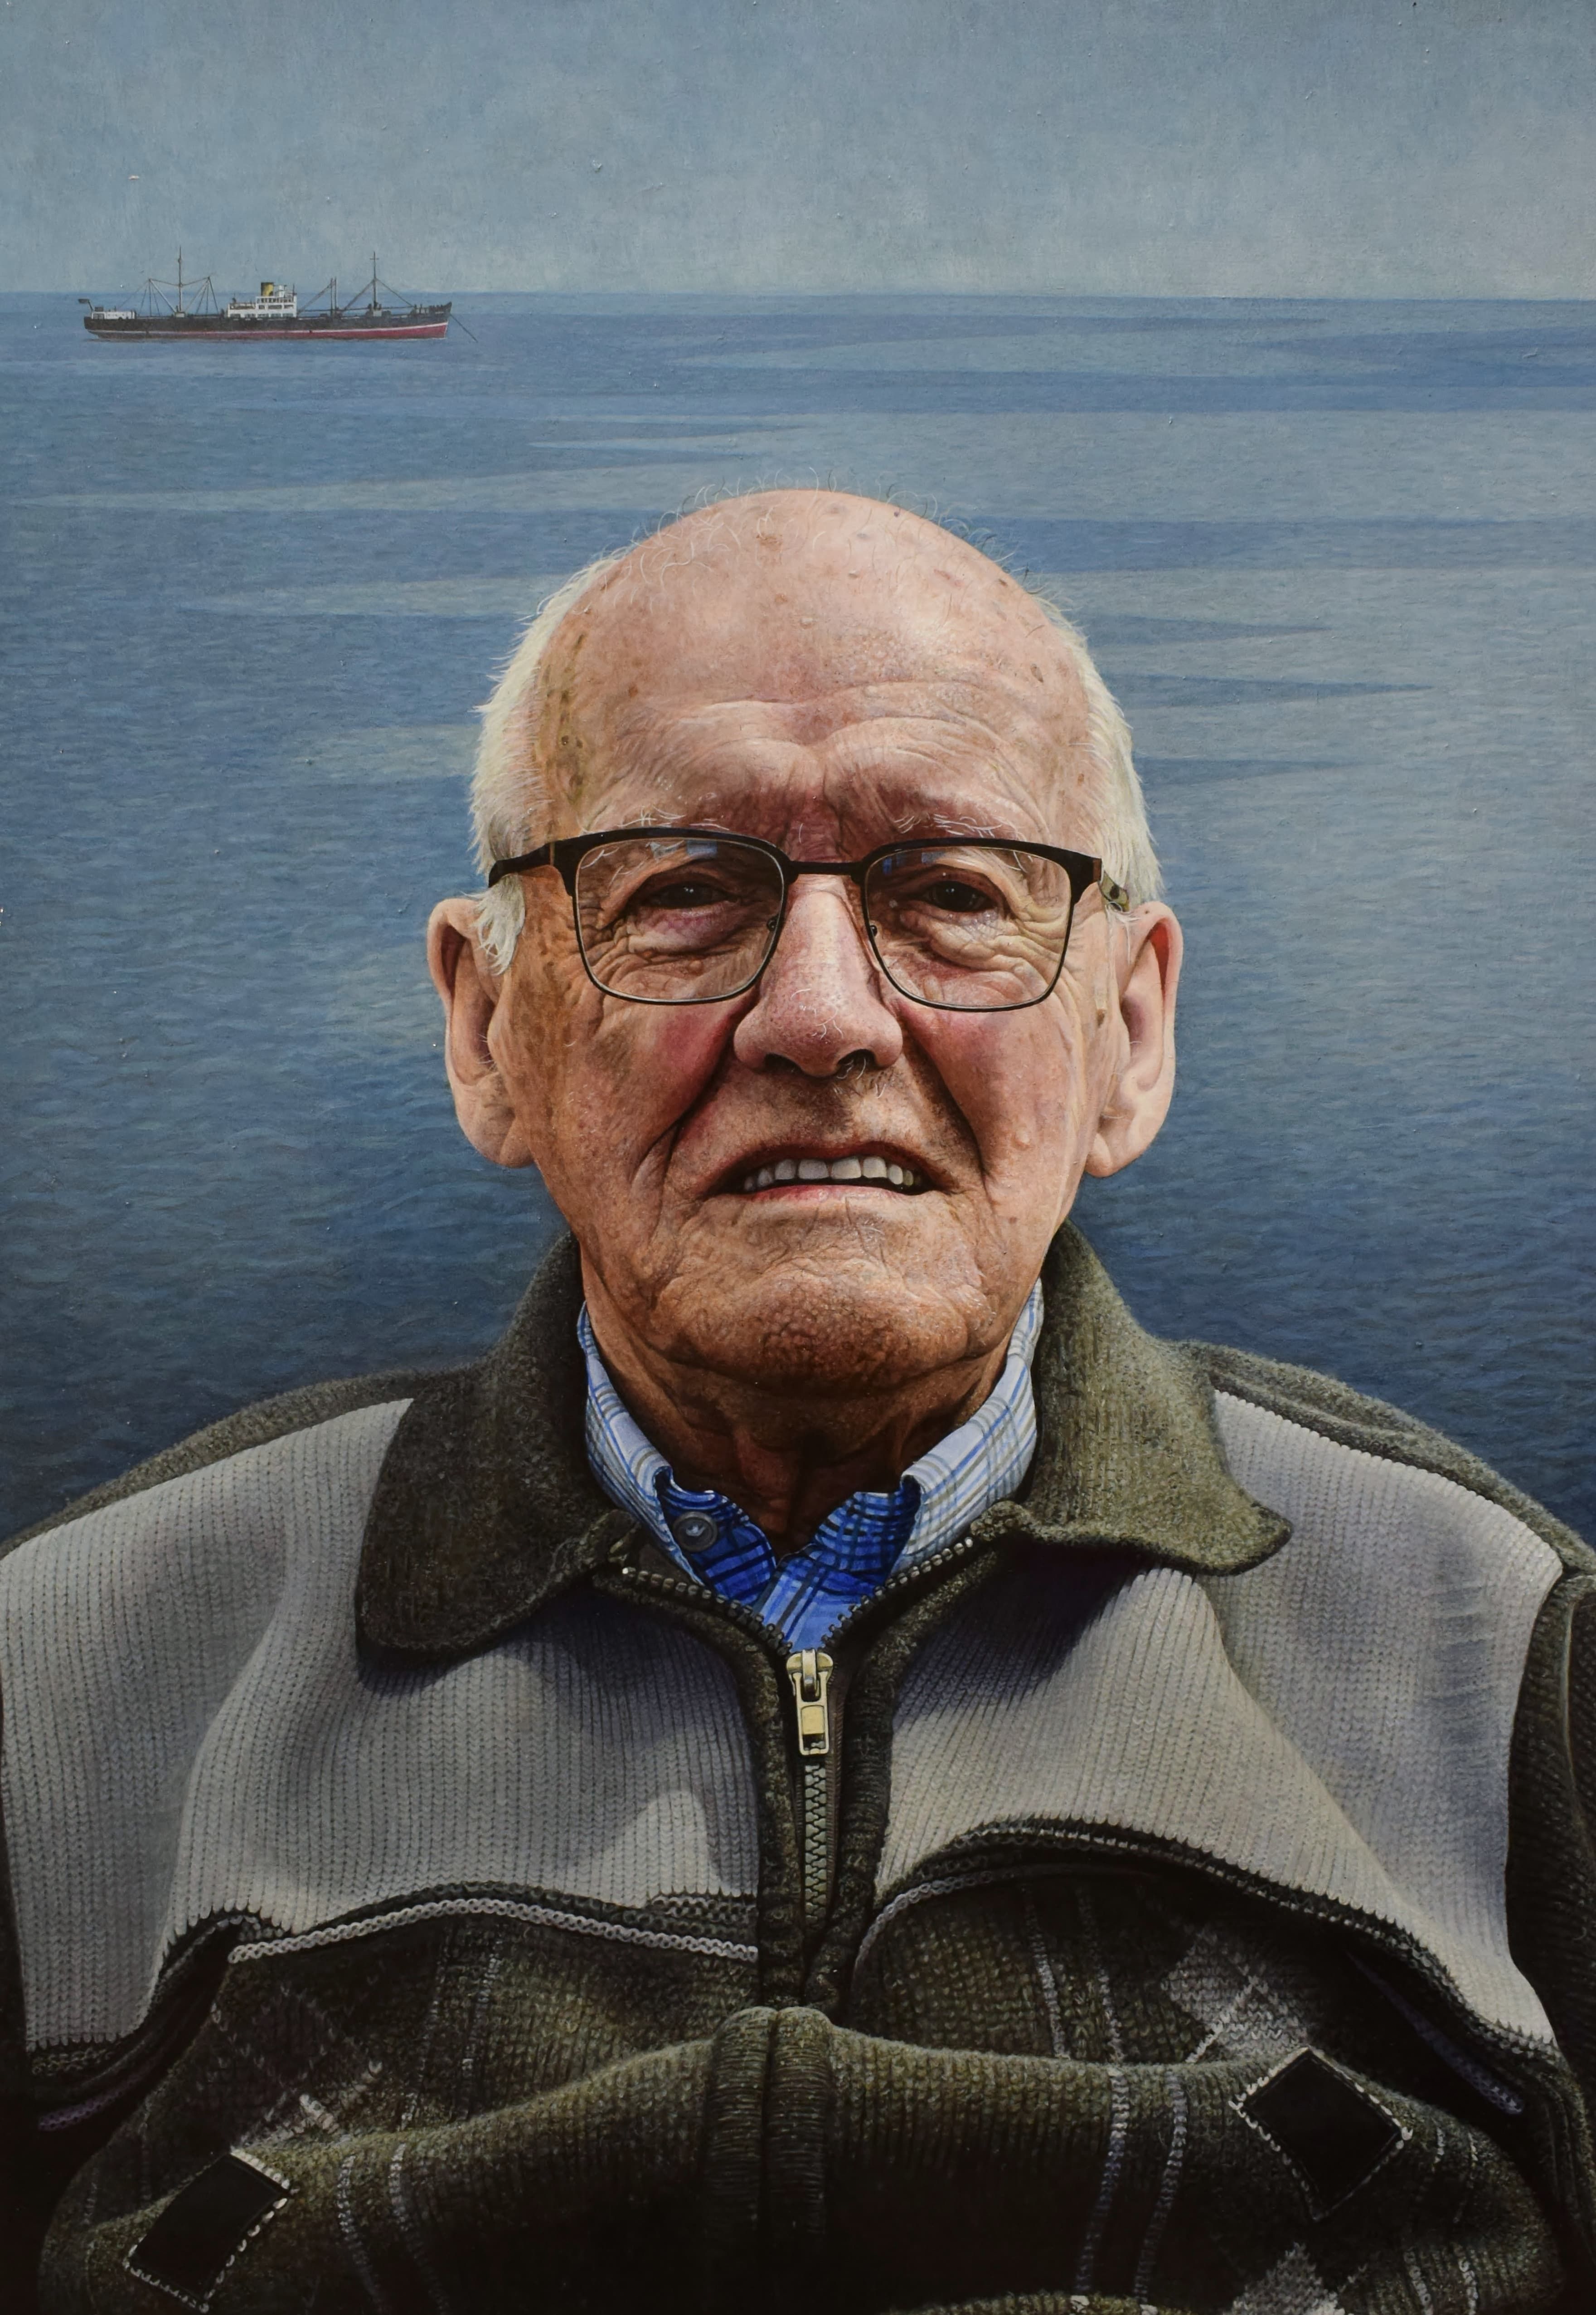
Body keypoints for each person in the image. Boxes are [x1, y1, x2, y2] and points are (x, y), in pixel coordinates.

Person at [1, 491, 1591, 2315]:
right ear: (482, 1025)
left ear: (1127, 1039)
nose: (820, 1016)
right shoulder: (62, 1688)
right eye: (681, 892)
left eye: (953, 895)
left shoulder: (1504, 1661)